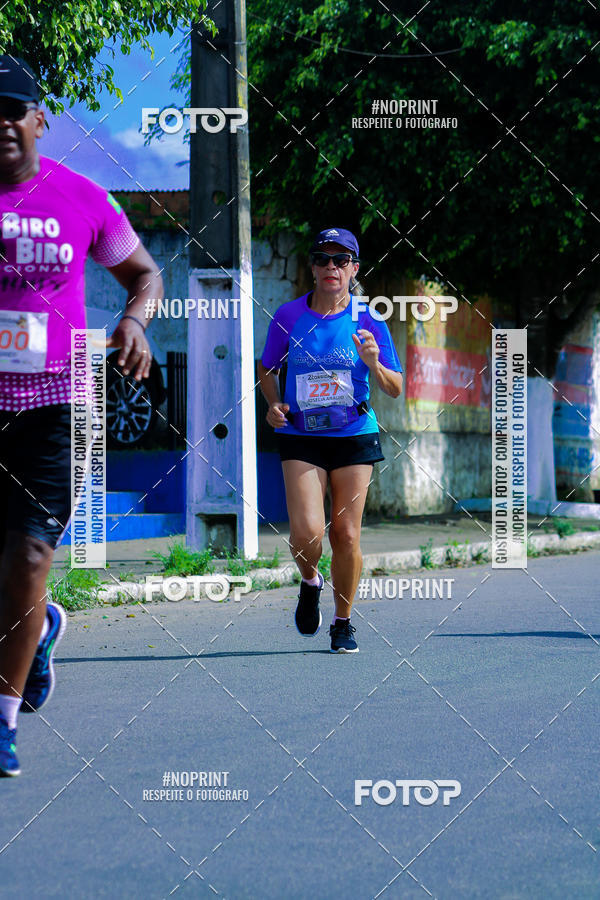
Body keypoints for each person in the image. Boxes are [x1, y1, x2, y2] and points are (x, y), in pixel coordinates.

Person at [0, 56, 163, 776]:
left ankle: (1, 721)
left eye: (13, 109)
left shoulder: (81, 196)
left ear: (40, 119)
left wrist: (136, 319)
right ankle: (37, 631)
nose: (2, 123)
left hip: (52, 402)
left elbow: (145, 273)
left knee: (31, 555)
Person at [258, 227, 403, 653]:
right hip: (302, 434)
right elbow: (267, 367)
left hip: (353, 433)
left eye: (341, 260)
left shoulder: (368, 319)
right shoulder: (288, 316)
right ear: (313, 267)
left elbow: (394, 387)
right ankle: (309, 580)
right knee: (306, 533)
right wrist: (272, 403)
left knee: (346, 534)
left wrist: (374, 364)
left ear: (354, 269)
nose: (331, 268)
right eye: (323, 259)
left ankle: (343, 622)